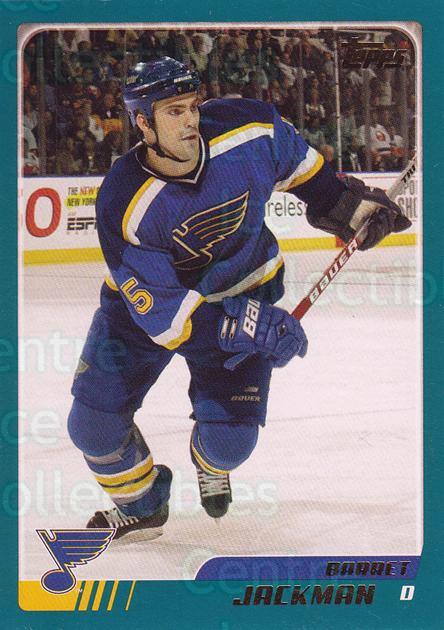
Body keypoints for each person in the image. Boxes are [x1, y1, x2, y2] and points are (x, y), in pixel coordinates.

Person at [67, 57, 411, 540]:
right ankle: (143, 505)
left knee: (230, 445)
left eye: (192, 106)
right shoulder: (122, 200)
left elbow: (311, 178)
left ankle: (210, 464)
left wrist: (350, 208)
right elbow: (168, 321)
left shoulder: (249, 128)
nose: (190, 120)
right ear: (142, 122)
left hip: (244, 286)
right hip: (146, 312)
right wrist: (251, 327)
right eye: (173, 112)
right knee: (92, 426)